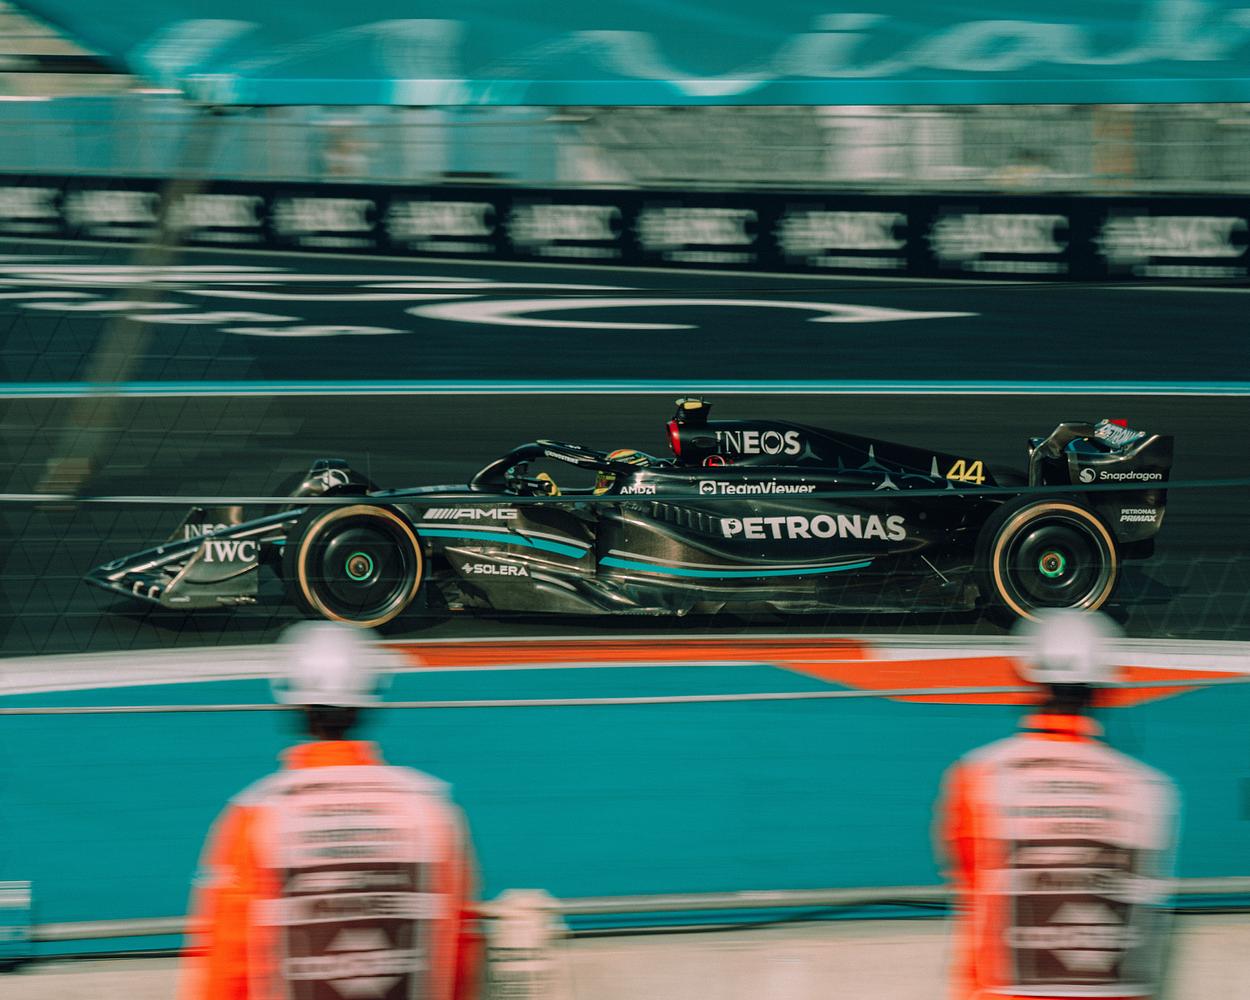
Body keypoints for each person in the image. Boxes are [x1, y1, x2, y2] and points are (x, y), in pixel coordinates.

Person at [179, 622, 481, 1000]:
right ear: (370, 699)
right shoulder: (432, 809)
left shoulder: (258, 816)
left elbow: (227, 965)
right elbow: (458, 951)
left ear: (293, 703)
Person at [935, 610, 1179, 1000]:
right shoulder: (1149, 791)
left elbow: (969, 883)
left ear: (1026, 679)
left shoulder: (979, 776)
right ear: (1106, 689)